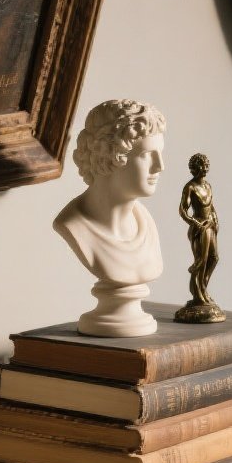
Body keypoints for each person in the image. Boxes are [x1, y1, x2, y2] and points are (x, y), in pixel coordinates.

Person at [53, 99, 166, 336]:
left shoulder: (146, 224)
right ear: (110, 155)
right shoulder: (73, 225)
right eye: (147, 154)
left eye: (161, 153)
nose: (160, 166)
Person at [175, 152, 225, 322]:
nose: (204, 169)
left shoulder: (209, 186)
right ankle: (198, 295)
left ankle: (202, 287)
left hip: (211, 225)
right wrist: (194, 222)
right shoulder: (190, 187)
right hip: (200, 227)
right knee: (201, 261)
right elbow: (183, 209)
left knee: (214, 258)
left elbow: (211, 206)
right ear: (194, 169)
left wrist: (216, 220)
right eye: (201, 166)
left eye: (206, 166)